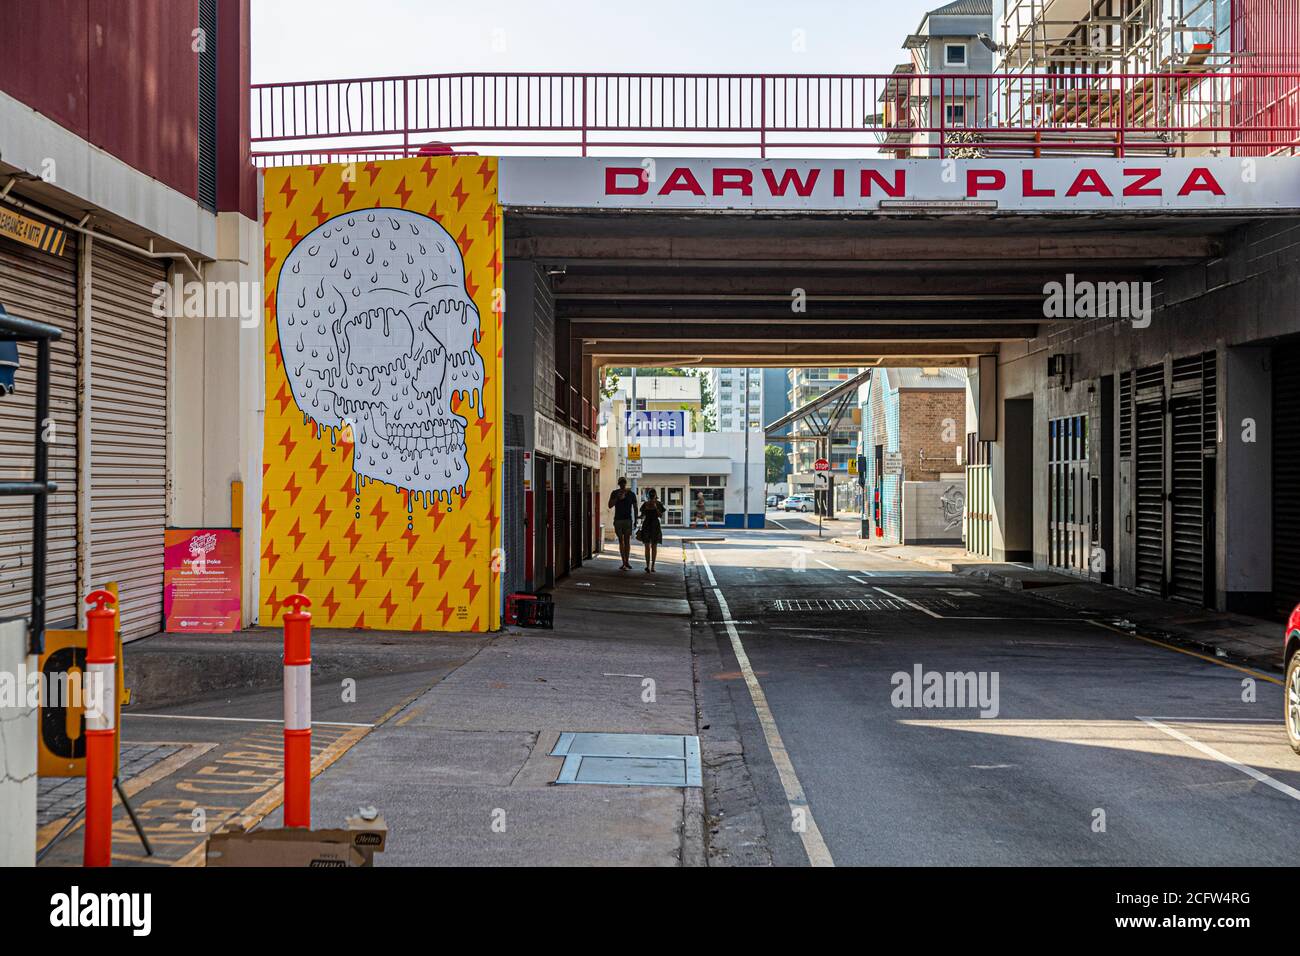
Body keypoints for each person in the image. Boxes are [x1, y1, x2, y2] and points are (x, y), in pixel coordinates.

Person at [607, 477, 637, 570]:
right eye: (621, 483)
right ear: (620, 484)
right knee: (623, 541)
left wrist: (635, 520)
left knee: (624, 541)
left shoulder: (630, 494)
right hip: (622, 520)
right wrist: (618, 498)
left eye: (623, 483)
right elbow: (610, 505)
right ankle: (625, 562)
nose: (622, 485)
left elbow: (635, 507)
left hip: (625, 520)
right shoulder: (616, 493)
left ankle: (625, 562)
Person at [638, 487, 665, 572]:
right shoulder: (658, 503)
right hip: (655, 525)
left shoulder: (645, 504)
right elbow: (660, 516)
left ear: (648, 495)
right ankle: (652, 566)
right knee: (653, 546)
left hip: (647, 525)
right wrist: (656, 508)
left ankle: (648, 566)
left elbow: (642, 516)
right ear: (655, 495)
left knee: (647, 547)